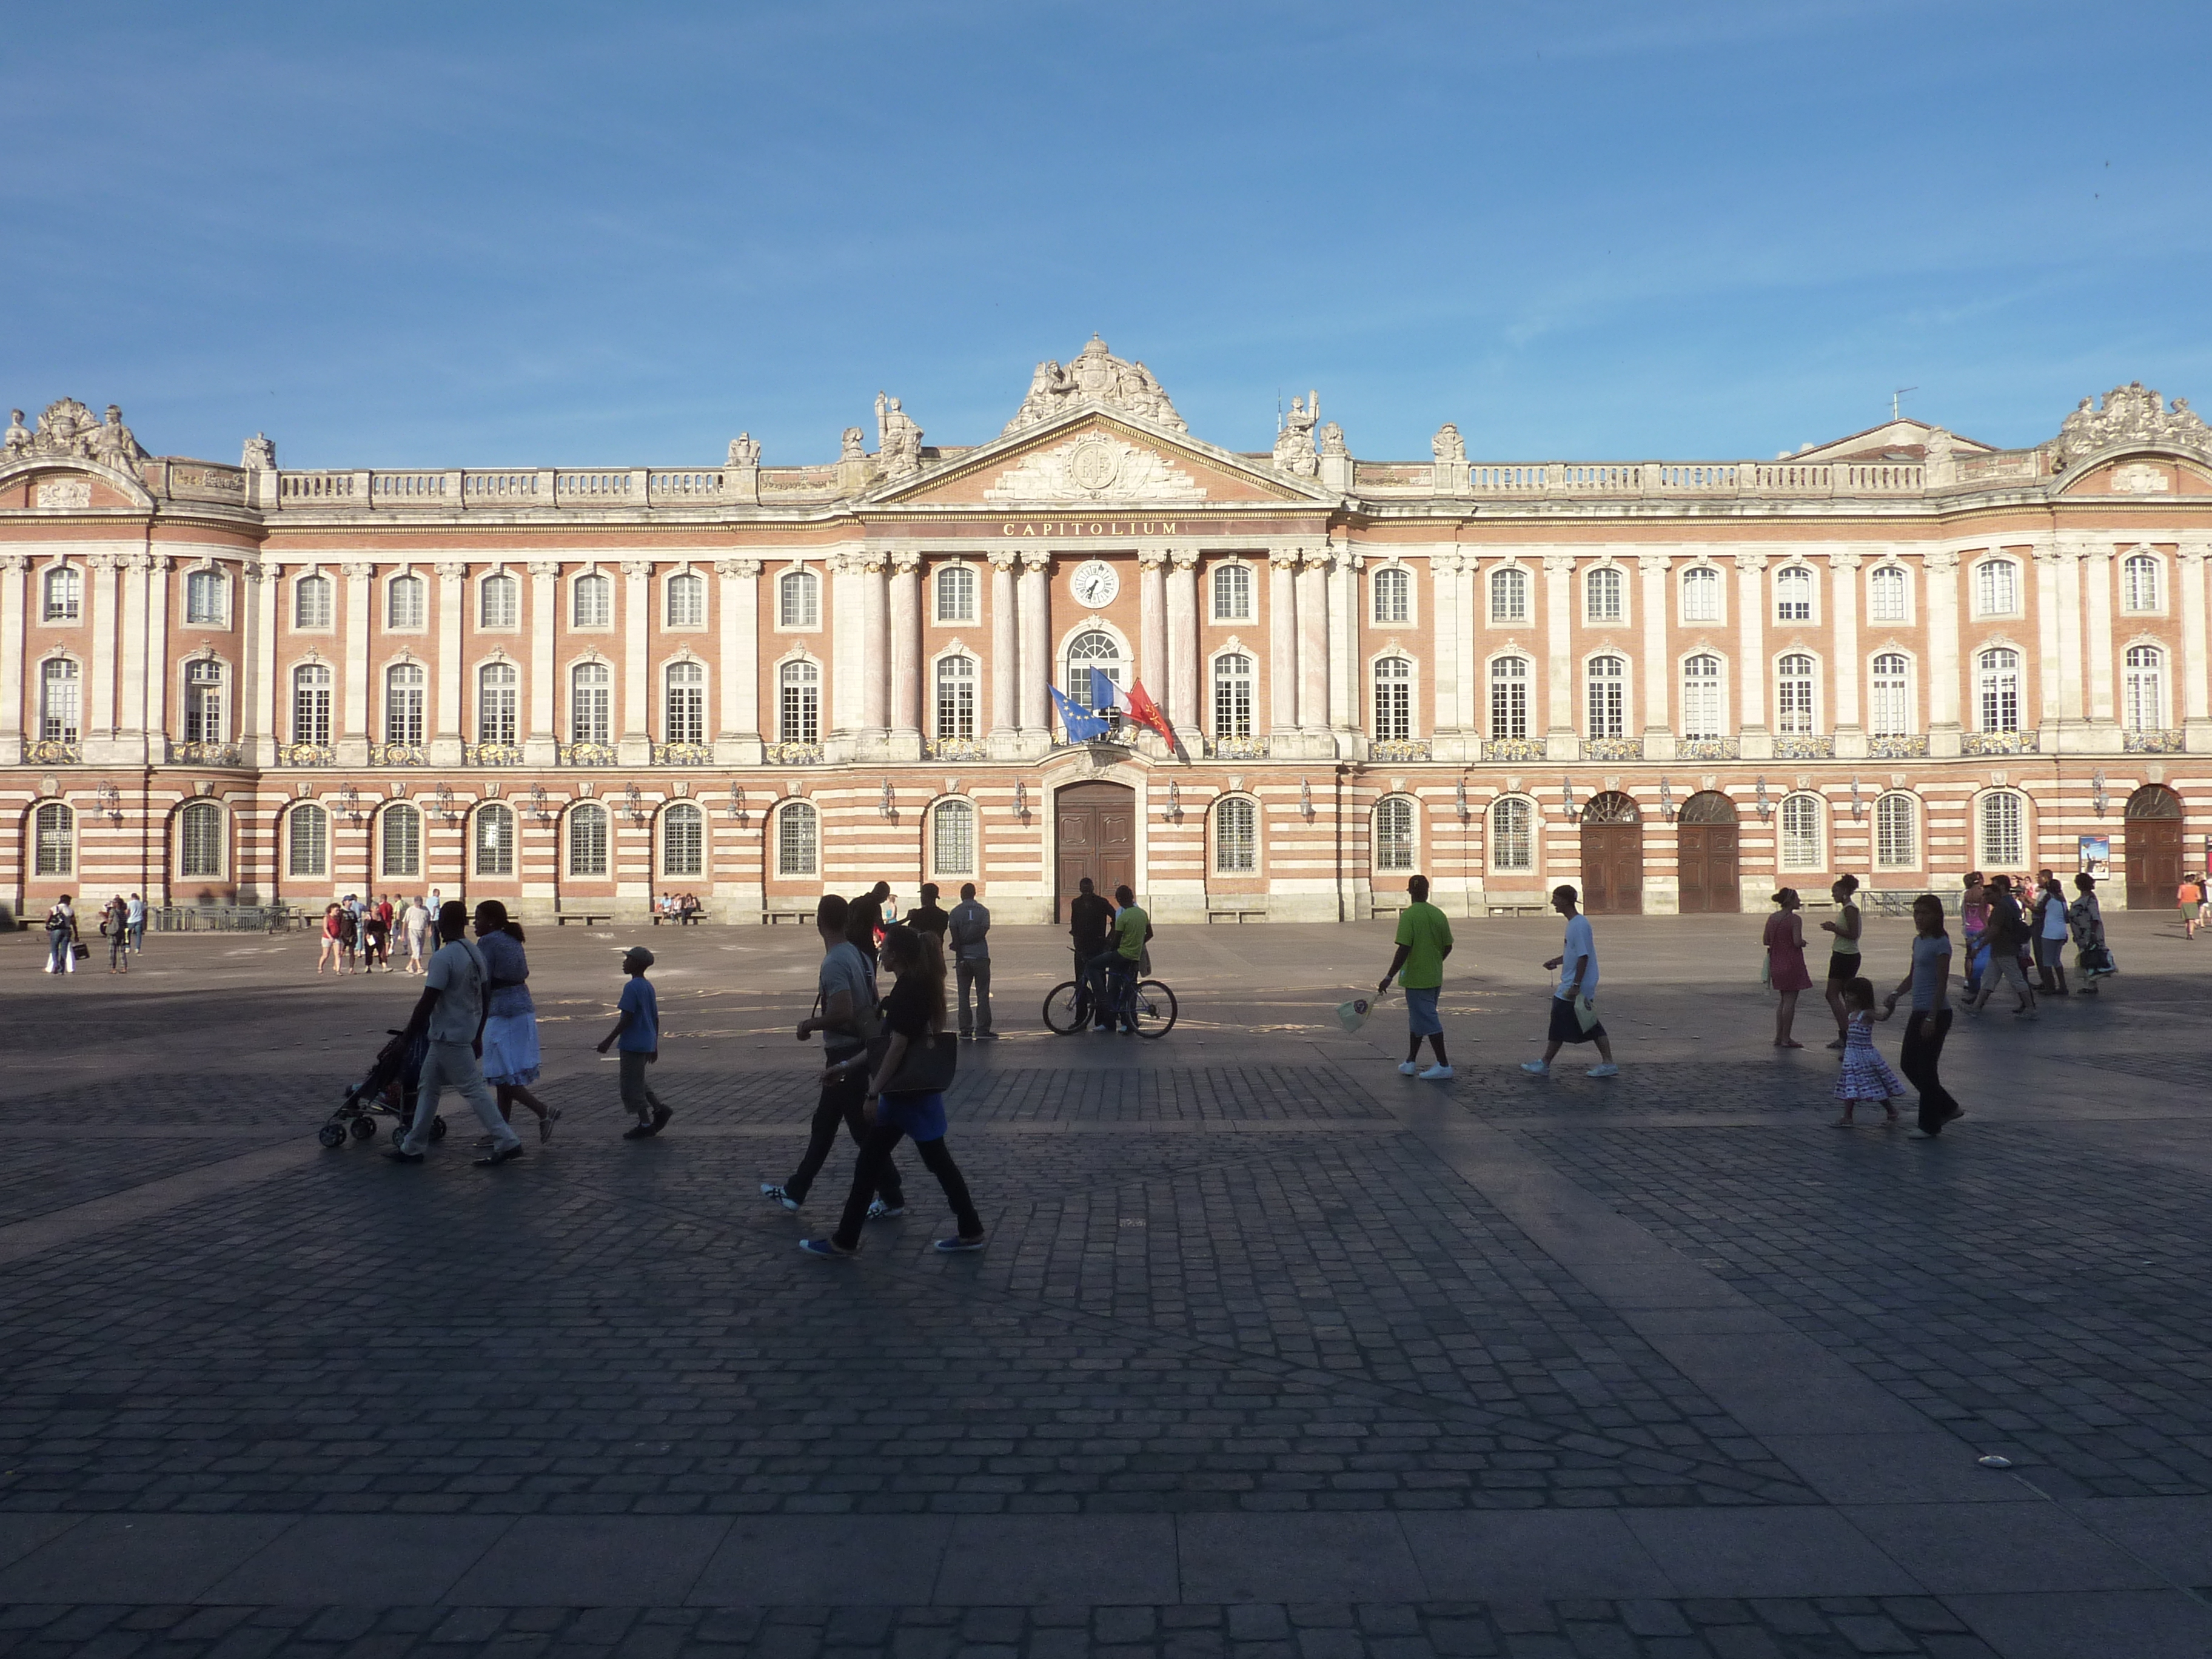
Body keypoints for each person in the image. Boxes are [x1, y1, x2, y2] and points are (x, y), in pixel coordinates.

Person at [800, 923, 987, 1259]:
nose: (880, 952)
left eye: (884, 949)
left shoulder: (908, 992)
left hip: (904, 1096)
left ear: (896, 955)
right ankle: (970, 1229)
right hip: (916, 1096)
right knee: (932, 1164)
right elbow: (882, 1045)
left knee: (874, 1165)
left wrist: (874, 1092)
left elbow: (896, 1048)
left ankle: (845, 1240)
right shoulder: (914, 986)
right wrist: (845, 1068)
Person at [764, 893, 904, 1218]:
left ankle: (891, 1194)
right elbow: (871, 1001)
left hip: (844, 1053)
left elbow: (843, 1011)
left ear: (819, 921)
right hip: (859, 1048)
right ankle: (796, 1191)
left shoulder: (835, 962)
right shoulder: (860, 955)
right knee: (826, 1125)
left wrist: (808, 1024)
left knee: (858, 1130)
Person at [384, 900, 524, 1168]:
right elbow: (484, 997)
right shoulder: (475, 952)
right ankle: (413, 1146)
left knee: (472, 1090)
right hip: (459, 1032)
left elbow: (428, 1000)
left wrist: (407, 1036)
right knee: (428, 1087)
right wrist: (478, 1033)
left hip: (449, 1034)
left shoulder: (444, 957)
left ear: (441, 923)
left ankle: (507, 1141)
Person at [475, 900, 560, 1144]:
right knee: (506, 1073)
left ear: (491, 921)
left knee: (501, 1074)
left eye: (479, 918)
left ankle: (544, 1111)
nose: (475, 924)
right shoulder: (512, 938)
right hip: (522, 1007)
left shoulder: (488, 942)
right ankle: (501, 1130)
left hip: (502, 1011)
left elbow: (484, 981)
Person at [1520, 885, 1618, 1078]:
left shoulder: (1578, 925)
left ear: (1566, 901)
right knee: (1579, 1022)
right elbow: (1574, 953)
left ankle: (1546, 1063)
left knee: (1574, 1021)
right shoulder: (1575, 923)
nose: (1553, 903)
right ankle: (1606, 1063)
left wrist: (1576, 985)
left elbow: (1583, 956)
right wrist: (1556, 961)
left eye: (1556, 898)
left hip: (1575, 985)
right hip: (1575, 982)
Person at [1885, 894, 1962, 1136]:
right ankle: (1948, 1106)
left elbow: (1941, 983)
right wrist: (1896, 994)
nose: (1918, 918)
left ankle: (1929, 1125)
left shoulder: (1941, 944)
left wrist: (1932, 1017)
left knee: (1927, 1068)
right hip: (1919, 1010)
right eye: (1916, 912)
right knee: (1908, 1064)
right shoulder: (1918, 941)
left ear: (1937, 915)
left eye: (1924, 913)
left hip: (1936, 1012)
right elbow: (1913, 975)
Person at [1375, 873, 1454, 1079]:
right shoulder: (1439, 914)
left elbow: (1404, 948)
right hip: (1434, 977)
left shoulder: (1409, 916)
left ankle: (1443, 1064)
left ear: (1409, 892)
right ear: (1428, 891)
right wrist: (1435, 960)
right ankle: (1411, 1060)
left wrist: (1389, 976)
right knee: (1418, 1019)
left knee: (1428, 1020)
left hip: (1416, 978)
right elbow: (1448, 946)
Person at [596, 946, 672, 1139]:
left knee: (631, 1085)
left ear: (636, 963)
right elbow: (655, 1017)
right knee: (638, 1079)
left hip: (633, 1041)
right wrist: (654, 1044)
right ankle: (659, 1109)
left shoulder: (631, 987)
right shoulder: (648, 986)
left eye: (628, 959)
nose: (624, 962)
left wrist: (608, 1040)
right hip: (645, 1040)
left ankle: (645, 1123)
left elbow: (627, 1018)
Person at [1832, 977, 1906, 1127]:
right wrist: (1846, 1052)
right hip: (1853, 1055)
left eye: (1851, 994)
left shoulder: (1866, 1014)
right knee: (1851, 1084)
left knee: (1872, 1084)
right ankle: (1848, 1116)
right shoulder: (1852, 1014)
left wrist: (1891, 1008)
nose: (1847, 997)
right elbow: (1851, 1038)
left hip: (1865, 1056)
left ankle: (1890, 1111)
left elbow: (1882, 1017)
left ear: (1861, 996)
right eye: (1847, 993)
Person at [1968, 875, 2037, 1018]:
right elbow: (1991, 927)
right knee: (1989, 979)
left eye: (1988, 895)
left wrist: (1979, 946)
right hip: (1999, 950)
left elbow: (1994, 930)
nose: (1985, 898)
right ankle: (1976, 1007)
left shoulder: (2001, 908)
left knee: (2016, 979)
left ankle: (2030, 1008)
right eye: (1984, 895)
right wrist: (1976, 938)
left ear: (1997, 893)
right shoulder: (2002, 906)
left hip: (2005, 950)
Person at [1092, 885, 1151, 1034]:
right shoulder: (1142, 913)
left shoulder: (1122, 916)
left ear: (1119, 899)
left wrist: (1108, 951)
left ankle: (1112, 1019)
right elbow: (1150, 934)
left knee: (1098, 972)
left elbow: (1116, 941)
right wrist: (1138, 944)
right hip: (1135, 957)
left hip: (1121, 956)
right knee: (1129, 989)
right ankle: (1128, 1023)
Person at [1764, 888, 1813, 1048]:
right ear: (1790, 901)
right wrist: (1804, 942)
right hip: (1792, 963)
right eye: (1797, 899)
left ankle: (1778, 1036)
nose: (1799, 901)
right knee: (1790, 1001)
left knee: (1783, 1001)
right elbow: (1797, 941)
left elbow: (1766, 940)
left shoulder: (1772, 918)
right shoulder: (1795, 919)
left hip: (1776, 962)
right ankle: (1786, 1038)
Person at [1818, 875, 1863, 1048]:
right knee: (1844, 996)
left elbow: (1854, 934)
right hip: (1842, 954)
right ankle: (1846, 1034)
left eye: (1835, 891)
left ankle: (1847, 1033)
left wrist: (1833, 928)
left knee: (1833, 995)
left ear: (1845, 891)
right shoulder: (1846, 909)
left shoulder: (1850, 909)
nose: (1833, 895)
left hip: (1846, 956)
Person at [948, 882, 995, 1040]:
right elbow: (983, 932)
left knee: (963, 995)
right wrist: (969, 941)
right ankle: (983, 1029)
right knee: (982, 993)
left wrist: (960, 949)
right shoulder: (984, 911)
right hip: (980, 956)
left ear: (962, 895)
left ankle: (965, 1029)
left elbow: (954, 935)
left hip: (963, 958)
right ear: (974, 894)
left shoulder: (955, 912)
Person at [1068, 877, 1114, 1029]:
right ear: (1080, 889)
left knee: (1100, 985)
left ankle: (1101, 1020)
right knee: (1080, 984)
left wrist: (1109, 940)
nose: (1087, 892)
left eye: (1089, 889)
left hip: (1098, 948)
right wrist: (1076, 942)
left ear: (1093, 888)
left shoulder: (1101, 902)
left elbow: (1116, 918)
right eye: (1084, 889)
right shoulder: (1076, 903)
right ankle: (1080, 1020)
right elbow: (1074, 924)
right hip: (1081, 949)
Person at [2069, 872, 2110, 994]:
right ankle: (2090, 983)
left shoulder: (2090, 900)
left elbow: (2095, 918)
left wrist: (2092, 934)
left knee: (2089, 957)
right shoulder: (2085, 898)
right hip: (2081, 933)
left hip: (2088, 933)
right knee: (2086, 957)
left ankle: (2091, 984)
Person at [2032, 873, 2071, 995]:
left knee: (2047, 961)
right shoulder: (2062, 900)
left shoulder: (2048, 897)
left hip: (2049, 932)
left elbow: (2039, 910)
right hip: (2061, 932)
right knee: (2057, 960)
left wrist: (2026, 903)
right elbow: (2067, 918)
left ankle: (2050, 987)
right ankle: (2063, 986)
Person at [846, 880, 891, 963]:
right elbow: (883, 928)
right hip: (865, 944)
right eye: (885, 896)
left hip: (850, 943)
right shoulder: (875, 906)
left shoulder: (856, 902)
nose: (885, 899)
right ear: (881, 893)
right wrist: (905, 919)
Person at [1959, 873, 1988, 999]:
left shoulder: (1966, 893)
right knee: (1981, 957)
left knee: (1970, 955)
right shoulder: (1982, 893)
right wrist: (1989, 926)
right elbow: (1983, 913)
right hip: (1980, 927)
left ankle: (1970, 981)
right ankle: (1976, 985)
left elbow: (1965, 912)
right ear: (1980, 881)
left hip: (1969, 926)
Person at [42, 894, 77, 976]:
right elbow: (74, 924)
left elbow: (47, 920)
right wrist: (76, 935)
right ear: (68, 901)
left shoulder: (54, 908)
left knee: (54, 949)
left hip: (56, 930)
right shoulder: (70, 910)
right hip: (67, 931)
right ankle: (62, 970)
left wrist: (48, 928)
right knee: (64, 950)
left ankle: (56, 964)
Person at [103, 894, 130, 974]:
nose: (113, 904)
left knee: (112, 951)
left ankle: (113, 968)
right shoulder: (122, 912)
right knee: (121, 951)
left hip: (113, 932)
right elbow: (125, 922)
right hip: (121, 932)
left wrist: (104, 918)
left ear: (117, 904)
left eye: (114, 902)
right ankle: (124, 967)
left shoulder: (113, 911)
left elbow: (110, 921)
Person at [403, 896, 430, 974]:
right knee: (416, 948)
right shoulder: (410, 910)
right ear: (414, 902)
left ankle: (410, 965)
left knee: (419, 950)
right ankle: (419, 967)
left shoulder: (425, 909)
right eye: (417, 903)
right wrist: (403, 934)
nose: (419, 905)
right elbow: (405, 922)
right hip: (413, 930)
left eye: (420, 903)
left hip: (422, 930)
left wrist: (430, 930)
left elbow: (429, 921)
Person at [317, 903, 344, 974]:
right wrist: (330, 937)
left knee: (338, 954)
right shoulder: (327, 918)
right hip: (327, 938)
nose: (338, 912)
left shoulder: (338, 918)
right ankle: (320, 967)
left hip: (336, 938)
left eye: (339, 910)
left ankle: (338, 970)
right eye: (337, 910)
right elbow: (325, 928)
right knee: (326, 955)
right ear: (332, 910)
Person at [2181, 874, 2203, 940]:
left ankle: (2188, 934)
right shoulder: (2196, 887)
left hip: (2184, 904)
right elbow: (2199, 897)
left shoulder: (2182, 887)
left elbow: (2179, 896)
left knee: (2186, 920)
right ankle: (2191, 934)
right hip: (2193, 903)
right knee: (2192, 920)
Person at [126, 891, 146, 956]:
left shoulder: (129, 903)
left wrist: (126, 917)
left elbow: (128, 912)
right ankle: (137, 948)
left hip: (131, 920)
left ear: (132, 897)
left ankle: (128, 947)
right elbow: (143, 910)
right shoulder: (141, 903)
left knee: (127, 934)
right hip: (139, 919)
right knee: (138, 935)